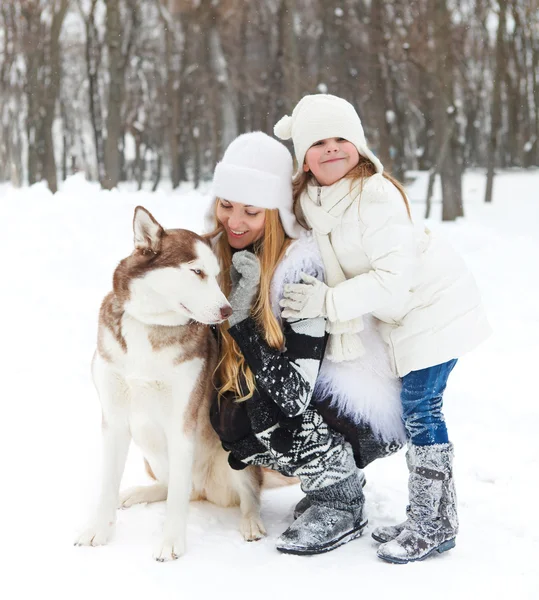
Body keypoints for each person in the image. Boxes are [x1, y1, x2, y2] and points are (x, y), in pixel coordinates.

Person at [275, 94, 491, 563]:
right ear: (304, 158)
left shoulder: (374, 194)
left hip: (432, 307)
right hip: (406, 316)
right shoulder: (314, 200)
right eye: (319, 143)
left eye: (341, 139)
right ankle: (437, 519)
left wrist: (328, 302)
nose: (332, 149)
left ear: (359, 145)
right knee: (420, 408)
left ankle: (433, 523)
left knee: (421, 407)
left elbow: (392, 283)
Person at [206, 131, 405, 556]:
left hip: (349, 400)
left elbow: (294, 395)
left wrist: (242, 318)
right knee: (234, 412)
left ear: (275, 213)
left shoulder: (302, 271)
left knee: (269, 413)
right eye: (226, 206)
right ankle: (335, 475)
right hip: (306, 395)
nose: (234, 221)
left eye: (251, 211)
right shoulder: (221, 255)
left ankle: (341, 498)